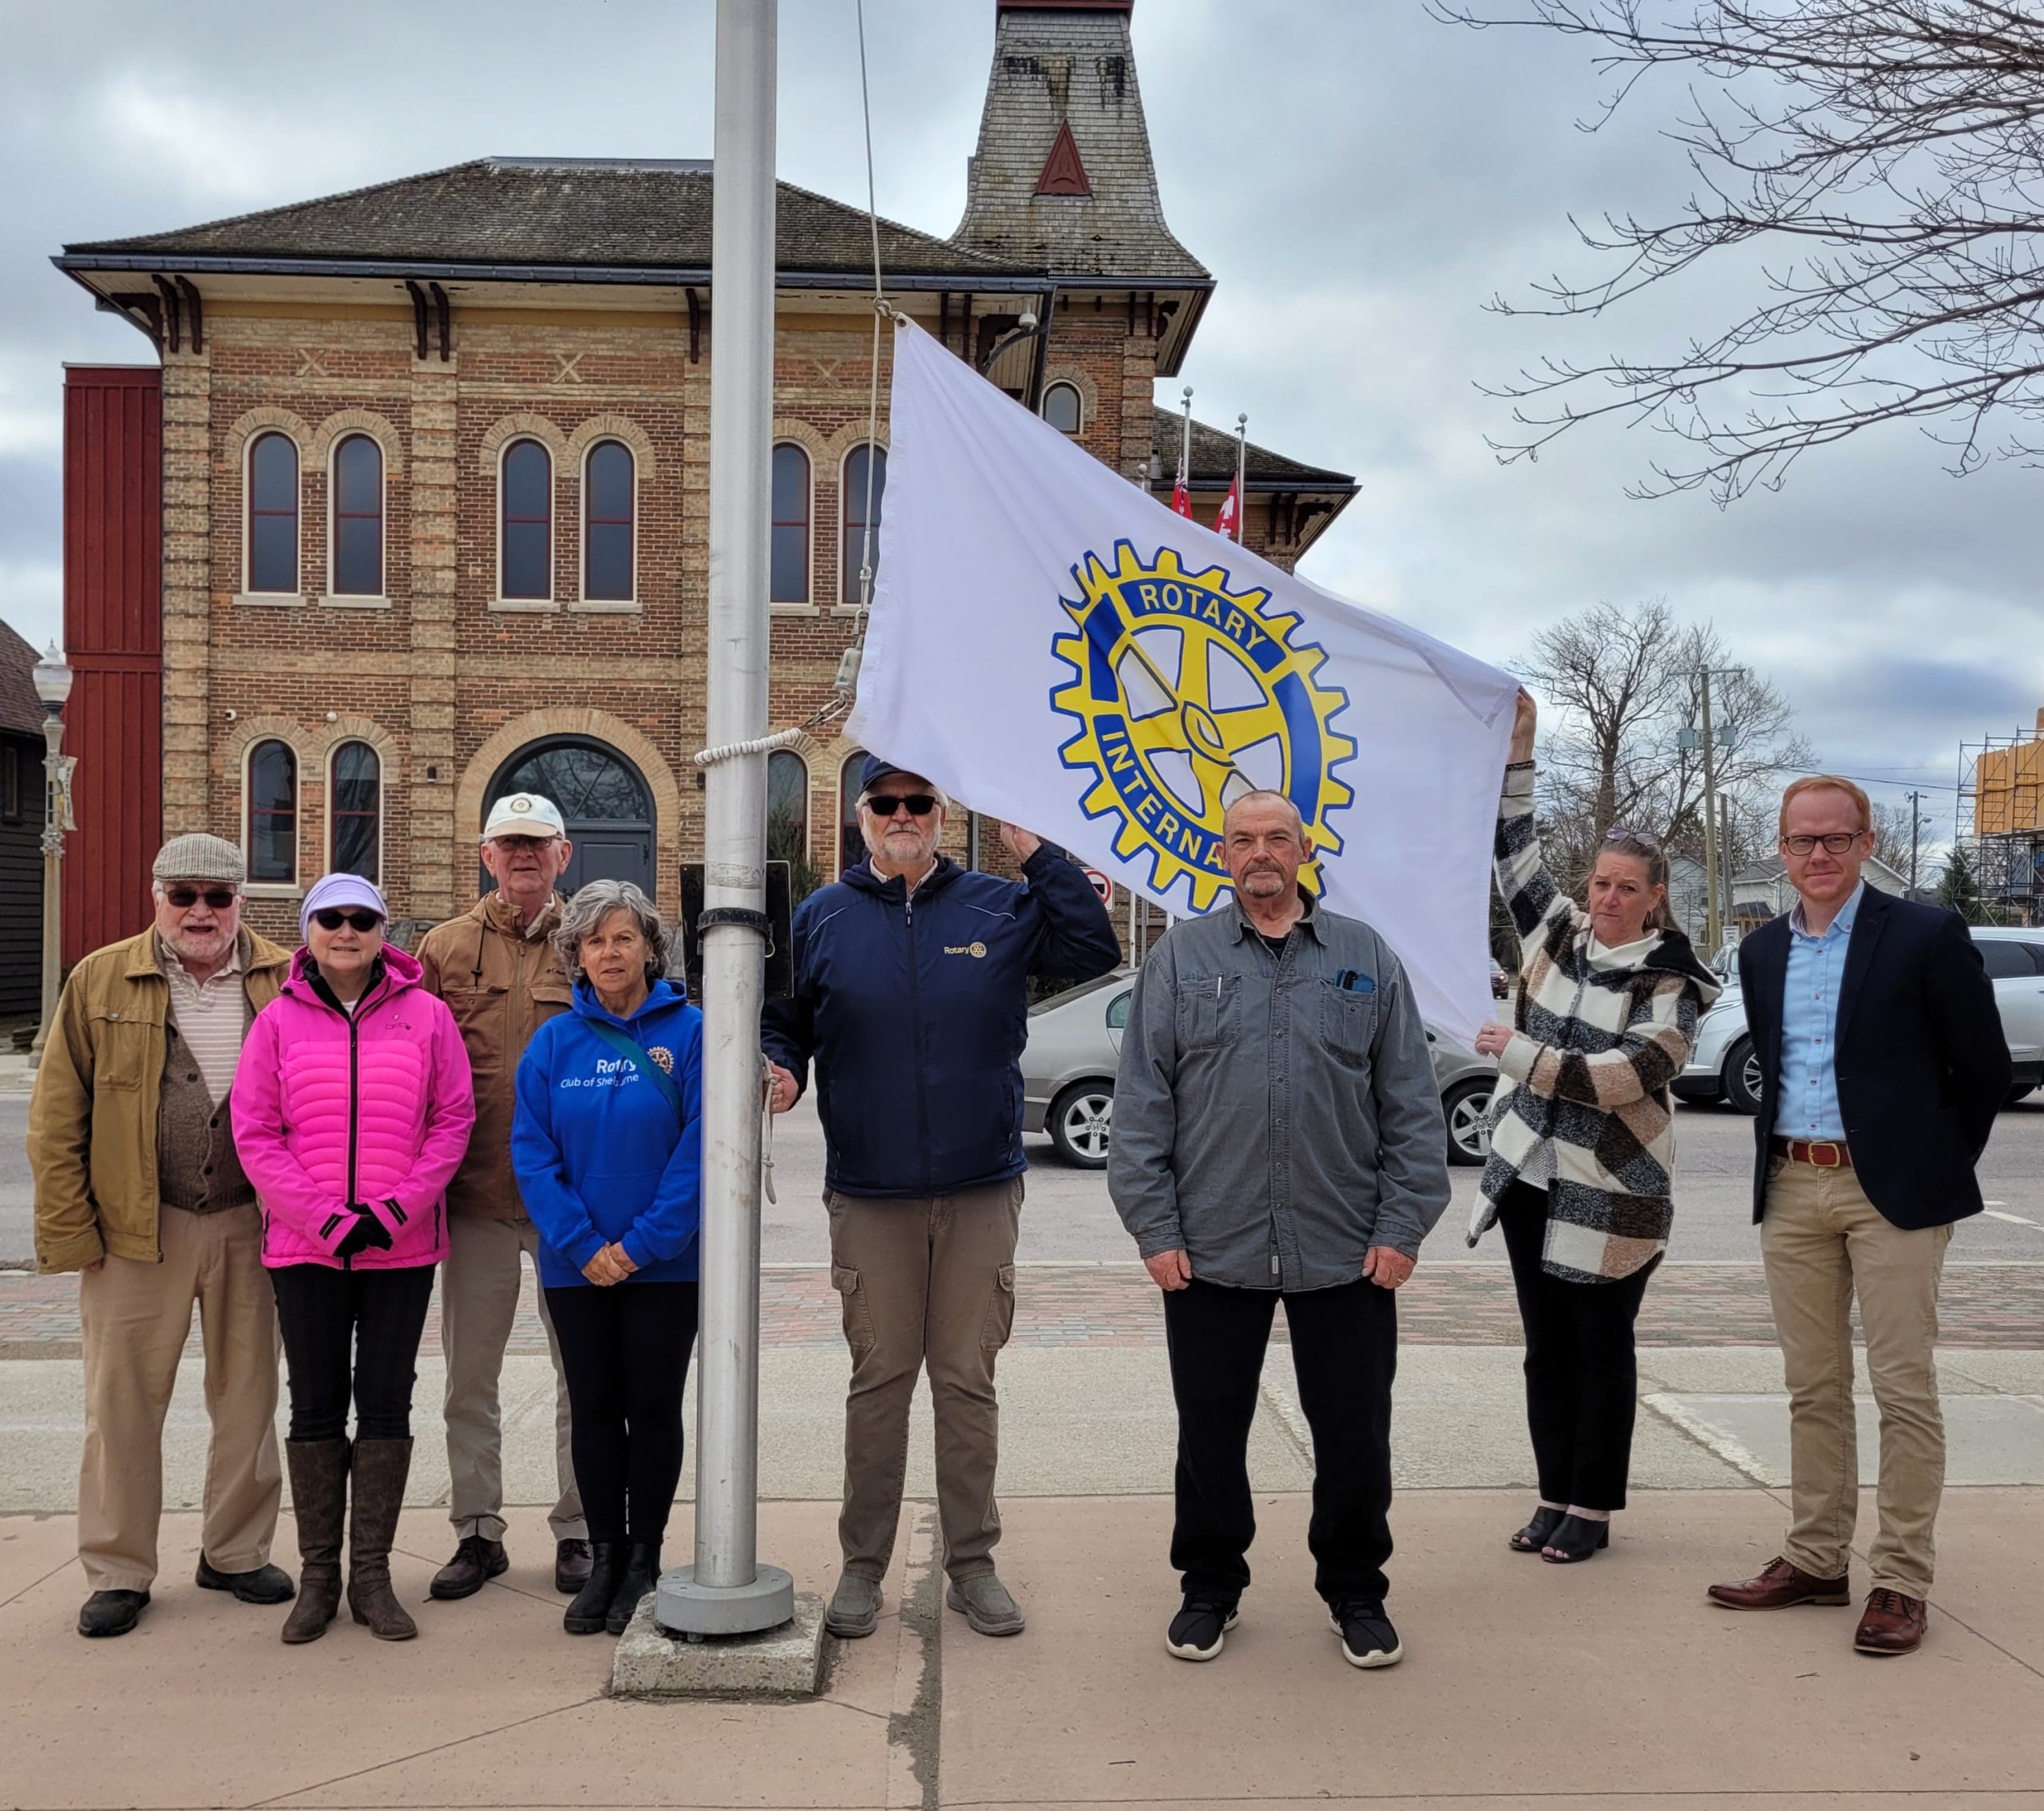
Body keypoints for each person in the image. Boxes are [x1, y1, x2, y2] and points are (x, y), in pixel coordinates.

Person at [763, 755, 1121, 1642]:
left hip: (978, 1188)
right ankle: (861, 1566)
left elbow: (1093, 947)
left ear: (940, 811)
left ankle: (972, 1563)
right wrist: (781, 1066)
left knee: (966, 1383)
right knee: (879, 1382)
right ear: (860, 816)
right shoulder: (824, 915)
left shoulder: (997, 907)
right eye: (885, 803)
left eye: (918, 801)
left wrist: (1035, 853)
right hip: (869, 1192)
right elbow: (787, 1017)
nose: (902, 814)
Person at [1108, 790, 1449, 1670]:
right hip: (1210, 1250)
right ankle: (1209, 1587)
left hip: (1347, 1252)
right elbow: (1142, 1107)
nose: (1259, 852)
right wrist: (1154, 1229)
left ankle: (1355, 1591)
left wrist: (1403, 1228)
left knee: (1353, 1435)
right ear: (1222, 855)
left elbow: (1411, 1106)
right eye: (1242, 839)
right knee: (1209, 1433)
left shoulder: (1365, 958)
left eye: (1276, 838)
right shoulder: (1181, 959)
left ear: (1302, 849)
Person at [1707, 775, 2008, 1656]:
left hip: (1894, 1199)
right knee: (1813, 1388)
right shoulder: (1761, 953)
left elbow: (1982, 1069)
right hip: (1793, 1187)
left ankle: (1900, 1579)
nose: (1818, 857)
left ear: (1866, 841)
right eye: (1802, 843)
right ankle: (1814, 1561)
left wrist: (1934, 1164)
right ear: (1781, 847)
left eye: (1835, 841)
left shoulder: (1923, 933)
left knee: (1904, 1390)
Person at [1466, 690, 1721, 1563]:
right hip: (1532, 1173)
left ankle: (1594, 1510)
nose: (1608, 898)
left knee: (1598, 1350)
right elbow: (1511, 849)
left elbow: (1629, 1077)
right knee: (1545, 1351)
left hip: (1616, 1190)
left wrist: (1519, 1055)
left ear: (1655, 899)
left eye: (1627, 889)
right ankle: (1550, 1496)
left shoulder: (1673, 979)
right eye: (1600, 882)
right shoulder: (1556, 932)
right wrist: (1519, 749)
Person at [28, 834, 296, 1639]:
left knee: (249, 1398)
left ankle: (236, 1551)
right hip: (134, 1229)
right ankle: (118, 1567)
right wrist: (74, 1231)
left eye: (217, 897)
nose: (200, 912)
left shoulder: (288, 977)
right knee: (122, 1405)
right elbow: (55, 1118)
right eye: (183, 896)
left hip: (253, 1220)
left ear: (241, 901)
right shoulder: (100, 977)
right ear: (157, 898)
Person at [234, 874, 475, 1643]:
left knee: (385, 1403)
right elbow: (256, 1133)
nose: (347, 930)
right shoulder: (275, 1022)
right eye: (331, 919)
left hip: (399, 1249)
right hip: (306, 1250)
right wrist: (325, 1218)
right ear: (309, 931)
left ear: (382, 931)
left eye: (362, 919)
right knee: (312, 1405)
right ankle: (318, 1575)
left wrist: (395, 1210)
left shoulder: (428, 1016)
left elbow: (452, 1119)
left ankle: (371, 1574)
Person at [512, 880, 703, 1637]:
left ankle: (647, 1563)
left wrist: (643, 1243)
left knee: (652, 1411)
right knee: (593, 1411)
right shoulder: (553, 1043)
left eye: (623, 938)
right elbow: (531, 1153)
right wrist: (586, 1246)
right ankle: (605, 1557)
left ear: (651, 948)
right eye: (594, 941)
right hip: (576, 1266)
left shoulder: (690, 1033)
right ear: (576, 957)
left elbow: (699, 1150)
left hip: (666, 1265)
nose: (609, 952)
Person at [416, 791, 590, 1603]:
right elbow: (407, 1062)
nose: (522, 857)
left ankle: (581, 1530)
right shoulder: (443, 949)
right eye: (507, 845)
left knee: (581, 1376)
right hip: (475, 1197)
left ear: (564, 854)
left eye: (536, 845)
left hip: (572, 1205)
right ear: (485, 856)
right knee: (468, 1380)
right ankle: (476, 1532)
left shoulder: (596, 942)